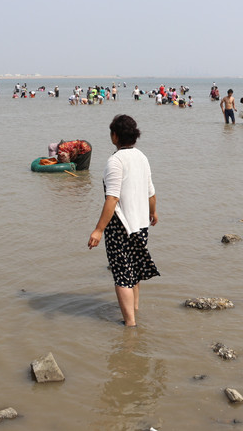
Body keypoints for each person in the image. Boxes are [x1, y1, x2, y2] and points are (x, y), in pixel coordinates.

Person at [88, 115, 159, 327]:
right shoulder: (142, 156)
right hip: (141, 224)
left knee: (122, 275)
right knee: (134, 271)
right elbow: (151, 192)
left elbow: (112, 198)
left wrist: (98, 230)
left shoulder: (115, 161)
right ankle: (135, 311)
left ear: (115, 136)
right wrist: (153, 213)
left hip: (121, 225)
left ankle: (130, 324)